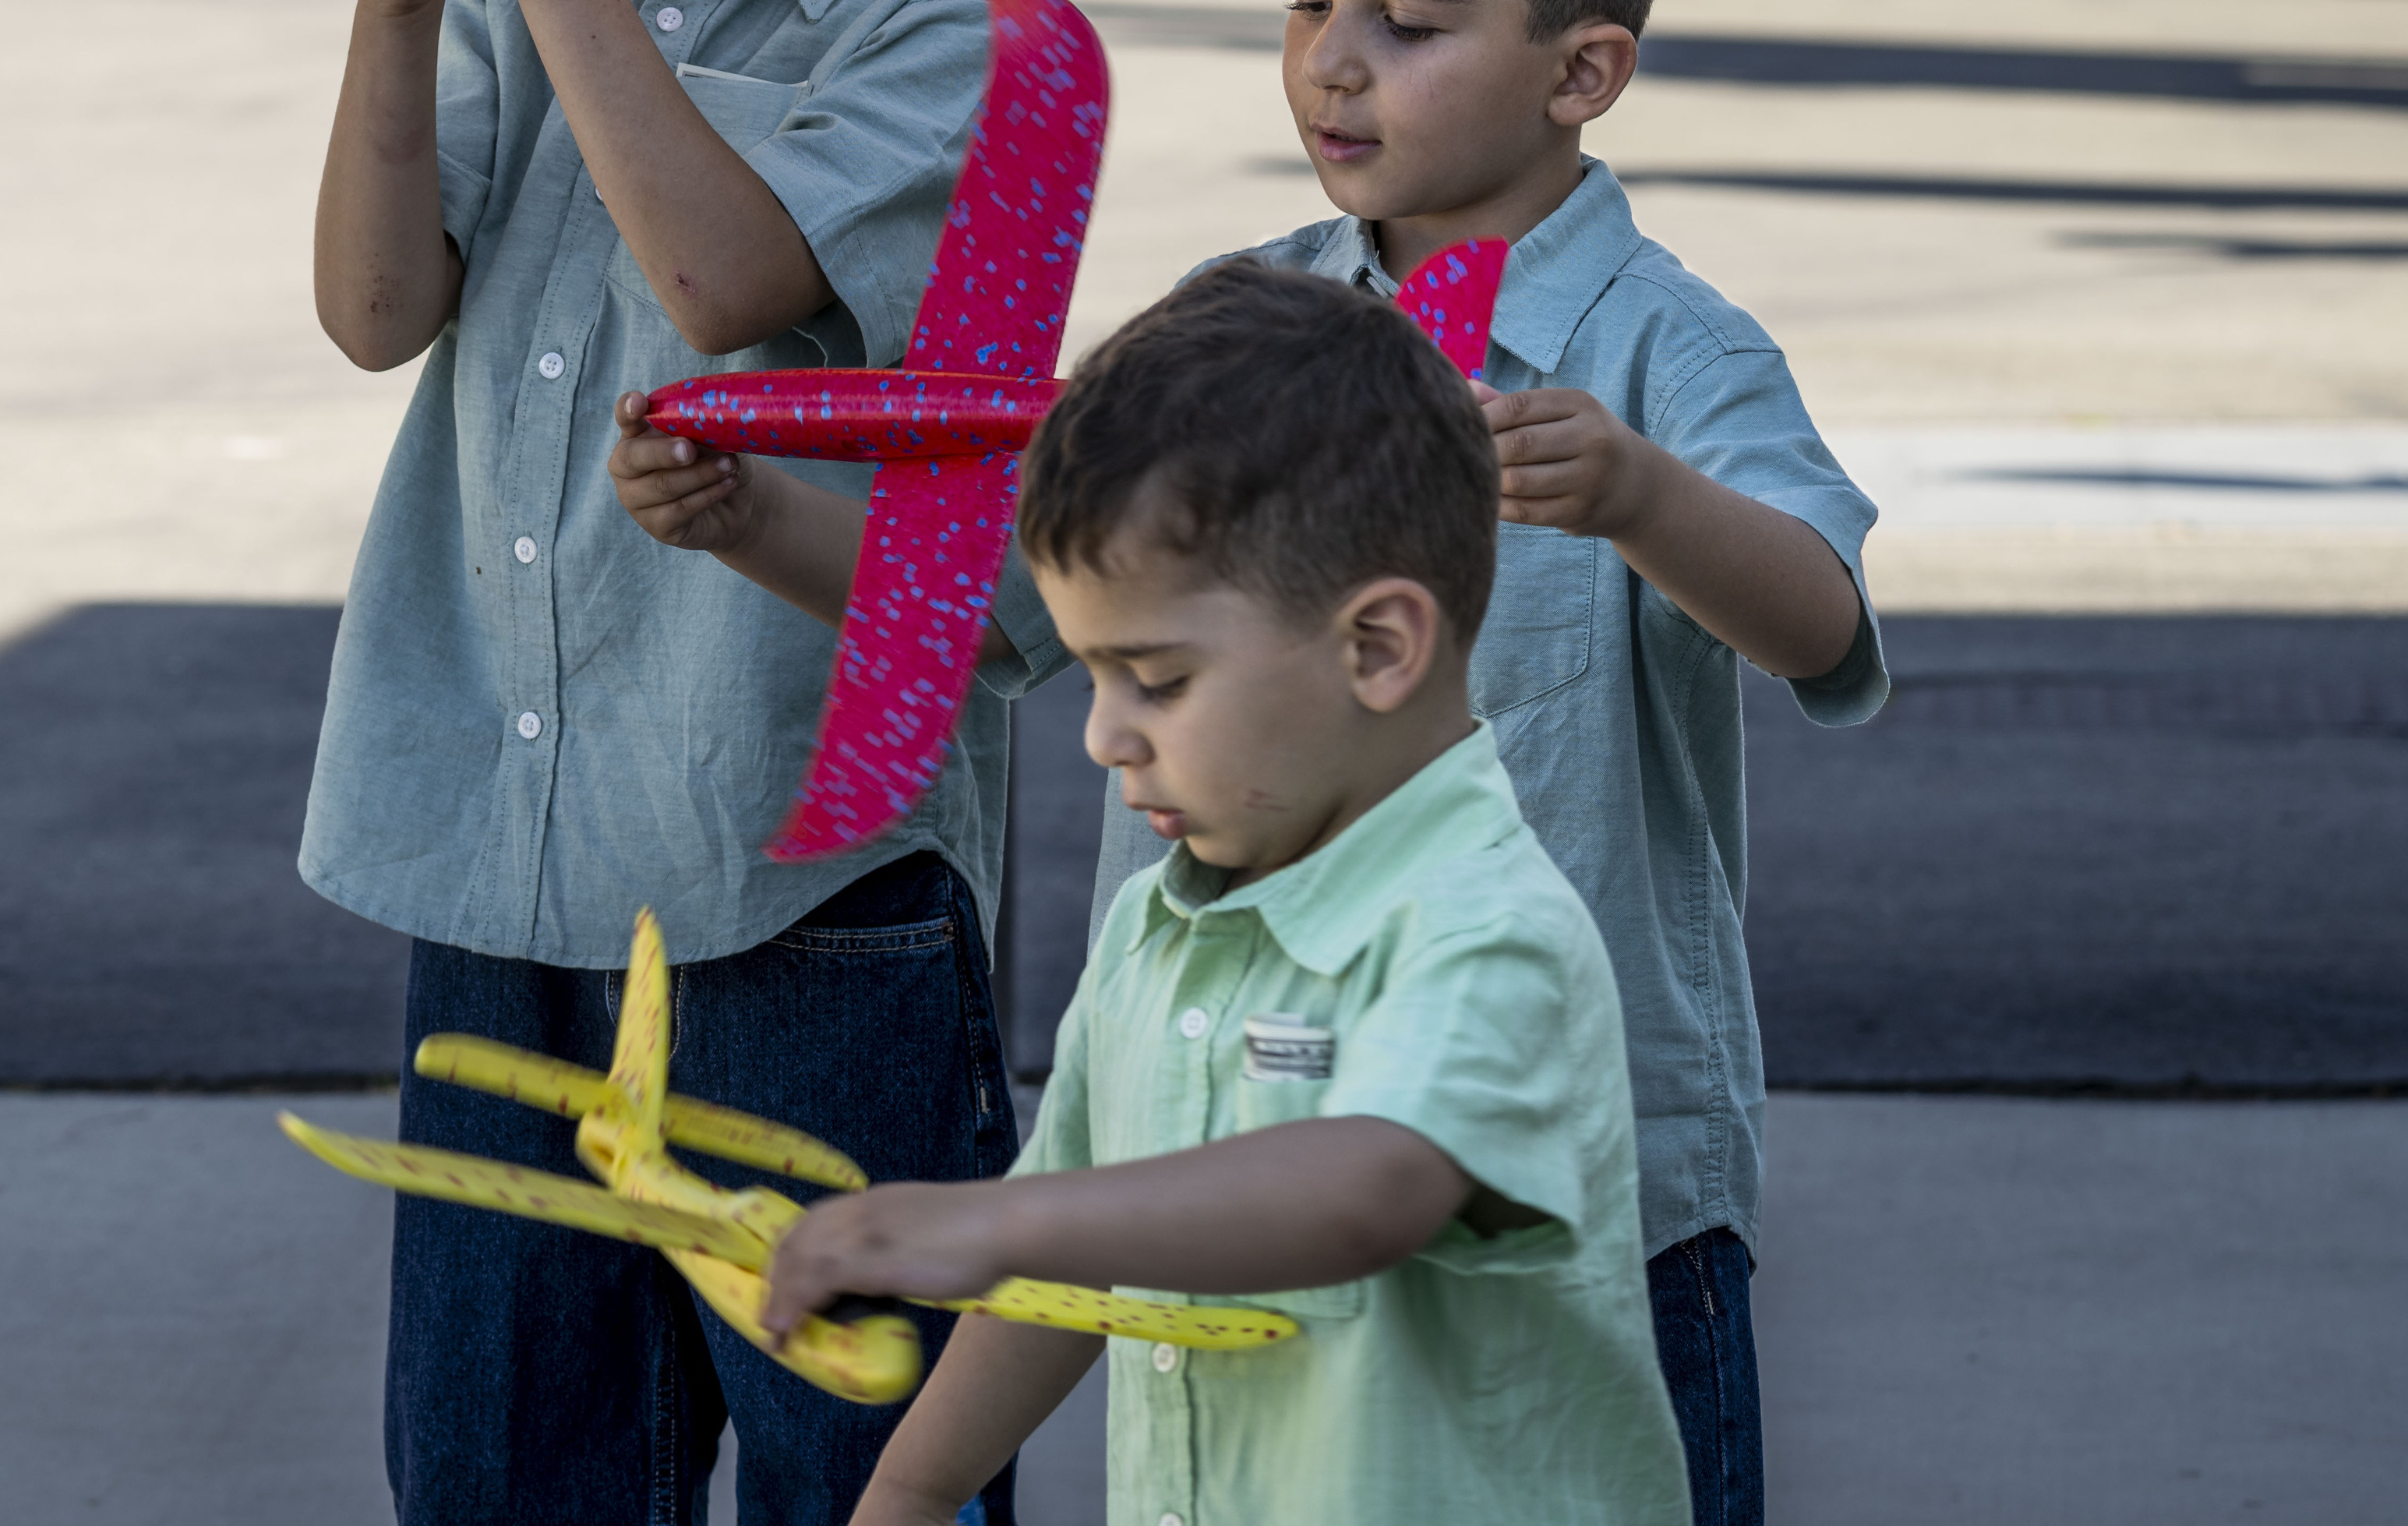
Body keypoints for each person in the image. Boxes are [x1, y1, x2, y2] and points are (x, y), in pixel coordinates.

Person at [616, 0, 1887, 1526]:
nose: (1332, 64)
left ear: (1582, 66)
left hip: (1583, 1203)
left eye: (1407, 19)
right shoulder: (1237, 319)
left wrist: (1637, 491)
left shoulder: (1658, 349)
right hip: (1225, 1137)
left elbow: (1822, 625)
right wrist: (751, 524)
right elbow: (1015, 621)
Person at [304, 0, 1070, 1526]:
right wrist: (398, 1)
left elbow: (732, 281)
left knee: (861, 1478)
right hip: (507, 859)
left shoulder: (981, 26)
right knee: (502, 1470)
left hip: (799, 888)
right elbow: (377, 315)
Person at [623, 264, 1691, 1524]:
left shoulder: (1480, 922)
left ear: (1379, 645)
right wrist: (909, 1488)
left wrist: (990, 1227)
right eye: (1090, 674)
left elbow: (1372, 1182)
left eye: (1158, 678)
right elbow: (1064, 1238)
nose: (1104, 736)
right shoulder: (1156, 924)